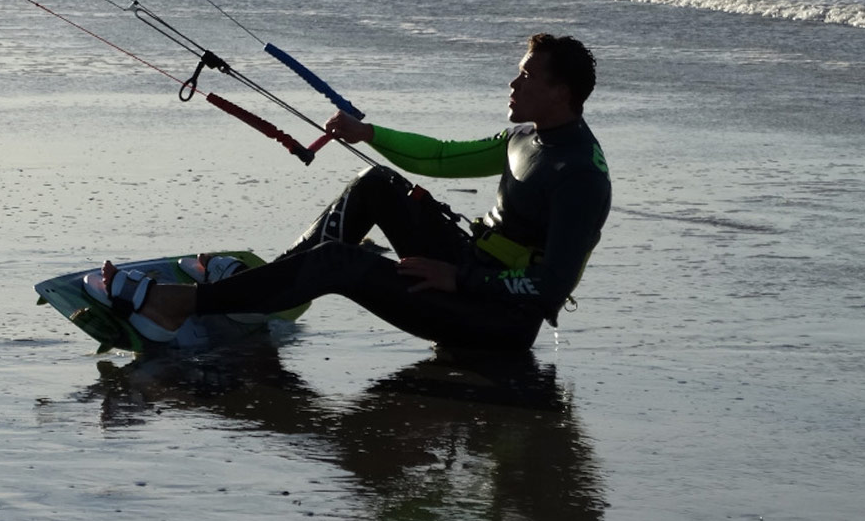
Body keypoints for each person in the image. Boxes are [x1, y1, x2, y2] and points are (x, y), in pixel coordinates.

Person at [103, 33, 612, 352]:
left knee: (341, 263)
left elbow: (549, 288)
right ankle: (261, 293)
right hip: (473, 269)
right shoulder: (526, 137)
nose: (513, 83)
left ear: (561, 92)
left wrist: (459, 278)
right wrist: (369, 135)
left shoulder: (579, 176)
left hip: (495, 321)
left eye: (526, 75)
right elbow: (439, 157)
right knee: (378, 184)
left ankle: (184, 304)